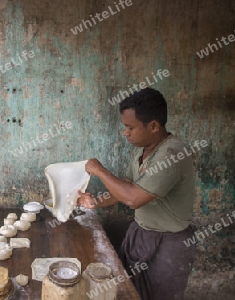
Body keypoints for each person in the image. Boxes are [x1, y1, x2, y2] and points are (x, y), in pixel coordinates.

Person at [77, 87, 196, 300]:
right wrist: (95, 201)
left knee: (159, 296)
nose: (125, 132)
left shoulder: (172, 153)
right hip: (141, 234)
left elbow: (133, 198)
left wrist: (99, 170)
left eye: (130, 127)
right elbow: (125, 187)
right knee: (129, 292)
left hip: (169, 243)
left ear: (153, 126)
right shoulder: (141, 150)